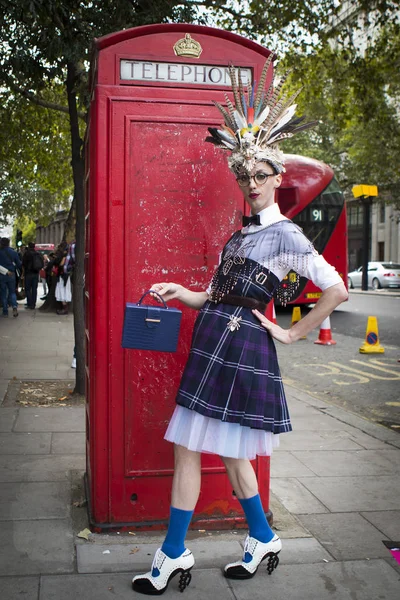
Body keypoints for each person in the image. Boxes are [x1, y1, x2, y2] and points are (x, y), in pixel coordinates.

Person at [131, 58, 348, 595]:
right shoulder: (240, 235)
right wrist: (185, 294)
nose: (250, 184)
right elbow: (220, 294)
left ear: (278, 178)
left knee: (190, 447)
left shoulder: (286, 236)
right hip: (214, 338)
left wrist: (294, 334)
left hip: (241, 347)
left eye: (260, 176)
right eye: (243, 176)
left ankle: (173, 555)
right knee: (227, 452)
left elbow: (338, 288)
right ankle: (262, 537)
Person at [0, 237, 22, 318]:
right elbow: (19, 264)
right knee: (12, 292)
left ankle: (5, 311)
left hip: (2, 275)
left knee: (3, 293)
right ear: (9, 243)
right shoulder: (14, 252)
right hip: (12, 274)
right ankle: (14, 307)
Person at [22, 242, 44, 310]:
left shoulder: (26, 254)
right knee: (34, 289)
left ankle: (29, 303)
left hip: (28, 273)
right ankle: (33, 304)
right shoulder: (38, 254)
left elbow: (23, 264)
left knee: (28, 289)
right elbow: (42, 263)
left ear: (28, 246)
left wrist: (23, 273)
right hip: (36, 273)